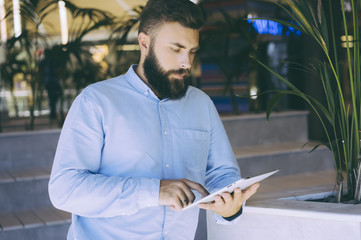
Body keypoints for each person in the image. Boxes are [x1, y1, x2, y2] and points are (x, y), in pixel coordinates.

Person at [48, 0, 259, 239]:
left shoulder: (202, 104)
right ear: (144, 43)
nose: (186, 63)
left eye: (191, 51)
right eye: (176, 49)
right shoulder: (95, 101)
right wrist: (154, 191)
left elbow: (222, 174)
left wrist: (230, 206)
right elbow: (64, 190)